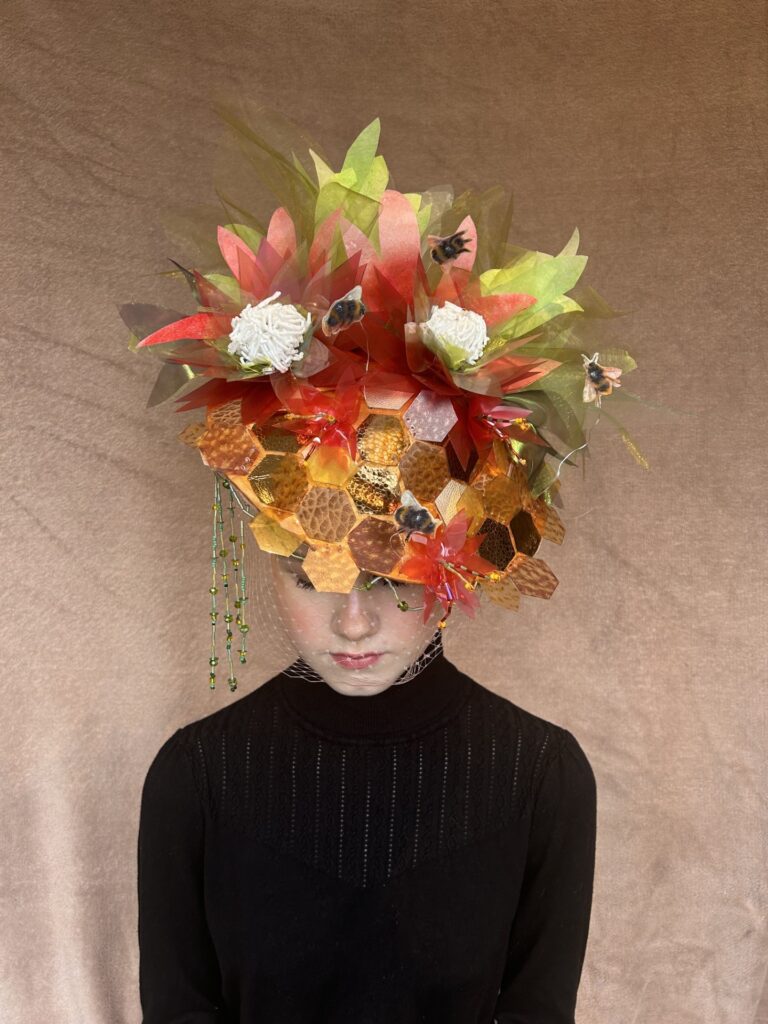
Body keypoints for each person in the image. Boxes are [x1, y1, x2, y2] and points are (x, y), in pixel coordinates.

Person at [129, 106, 639, 1023]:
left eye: (391, 580)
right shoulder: (194, 779)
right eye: (312, 579)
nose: (353, 623)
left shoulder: (541, 778)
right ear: (262, 559)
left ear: (463, 560)